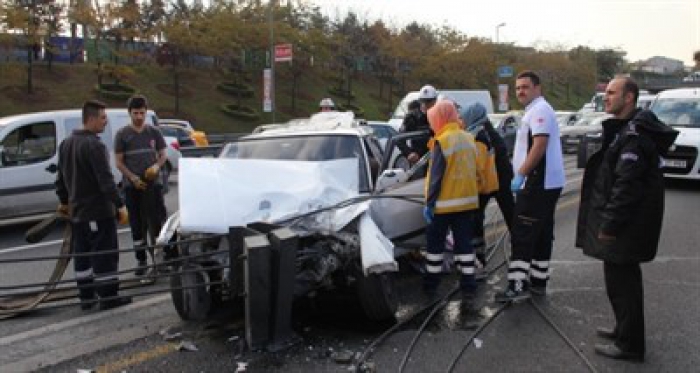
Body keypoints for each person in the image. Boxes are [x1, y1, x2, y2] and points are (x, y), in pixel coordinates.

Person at [576, 77, 678, 362]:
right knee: (619, 282)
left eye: (611, 93)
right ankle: (624, 330)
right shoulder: (628, 131)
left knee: (624, 286)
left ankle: (630, 345)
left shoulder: (634, 137)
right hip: (628, 225)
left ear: (629, 98)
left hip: (626, 227)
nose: (605, 97)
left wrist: (610, 224)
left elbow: (626, 186)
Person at [495, 70, 565, 302]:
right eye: (517, 88)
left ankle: (516, 285)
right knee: (542, 232)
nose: (520, 91)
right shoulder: (537, 110)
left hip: (537, 181)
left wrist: (521, 174)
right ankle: (538, 280)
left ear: (538, 88)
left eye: (525, 87)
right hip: (546, 183)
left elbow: (540, 144)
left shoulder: (540, 111)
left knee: (523, 233)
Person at [55, 100, 132, 311]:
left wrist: (63, 201)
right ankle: (108, 296)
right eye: (103, 117)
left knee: (82, 255)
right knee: (104, 254)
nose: (106, 122)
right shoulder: (94, 146)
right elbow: (105, 181)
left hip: (78, 213)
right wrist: (120, 205)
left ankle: (86, 297)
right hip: (97, 212)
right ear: (91, 119)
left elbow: (60, 179)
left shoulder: (66, 143)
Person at [422, 100, 481, 306]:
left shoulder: (443, 141)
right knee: (464, 246)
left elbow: (436, 177)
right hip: (467, 205)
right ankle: (469, 285)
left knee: (435, 247)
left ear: (439, 118)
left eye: (432, 120)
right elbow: (476, 171)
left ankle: (431, 284)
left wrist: (429, 204)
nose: (431, 125)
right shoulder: (469, 138)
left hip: (444, 206)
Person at [115, 95, 169, 276]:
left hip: (153, 186)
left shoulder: (154, 132)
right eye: (135, 113)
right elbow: (119, 162)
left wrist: (156, 166)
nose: (139, 116)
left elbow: (163, 155)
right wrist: (132, 178)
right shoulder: (122, 134)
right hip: (133, 188)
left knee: (157, 223)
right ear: (129, 113)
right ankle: (141, 260)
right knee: (137, 226)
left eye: (142, 113)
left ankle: (160, 259)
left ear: (146, 112)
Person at [460, 103, 515, 267]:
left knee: (476, 219)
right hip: (500, 181)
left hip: (486, 183)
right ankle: (522, 250)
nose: (462, 121)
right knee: (510, 214)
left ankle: (479, 257)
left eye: (464, 117)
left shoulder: (477, 135)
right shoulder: (490, 132)